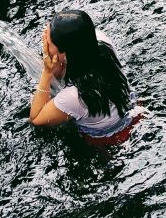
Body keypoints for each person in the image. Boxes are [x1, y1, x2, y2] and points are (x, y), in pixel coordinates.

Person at [30, 9, 141, 145]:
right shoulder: (102, 44)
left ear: (63, 53)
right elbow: (61, 73)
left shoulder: (74, 97)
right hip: (135, 111)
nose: (45, 41)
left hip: (110, 138)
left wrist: (46, 73)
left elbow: (36, 118)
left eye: (49, 41)